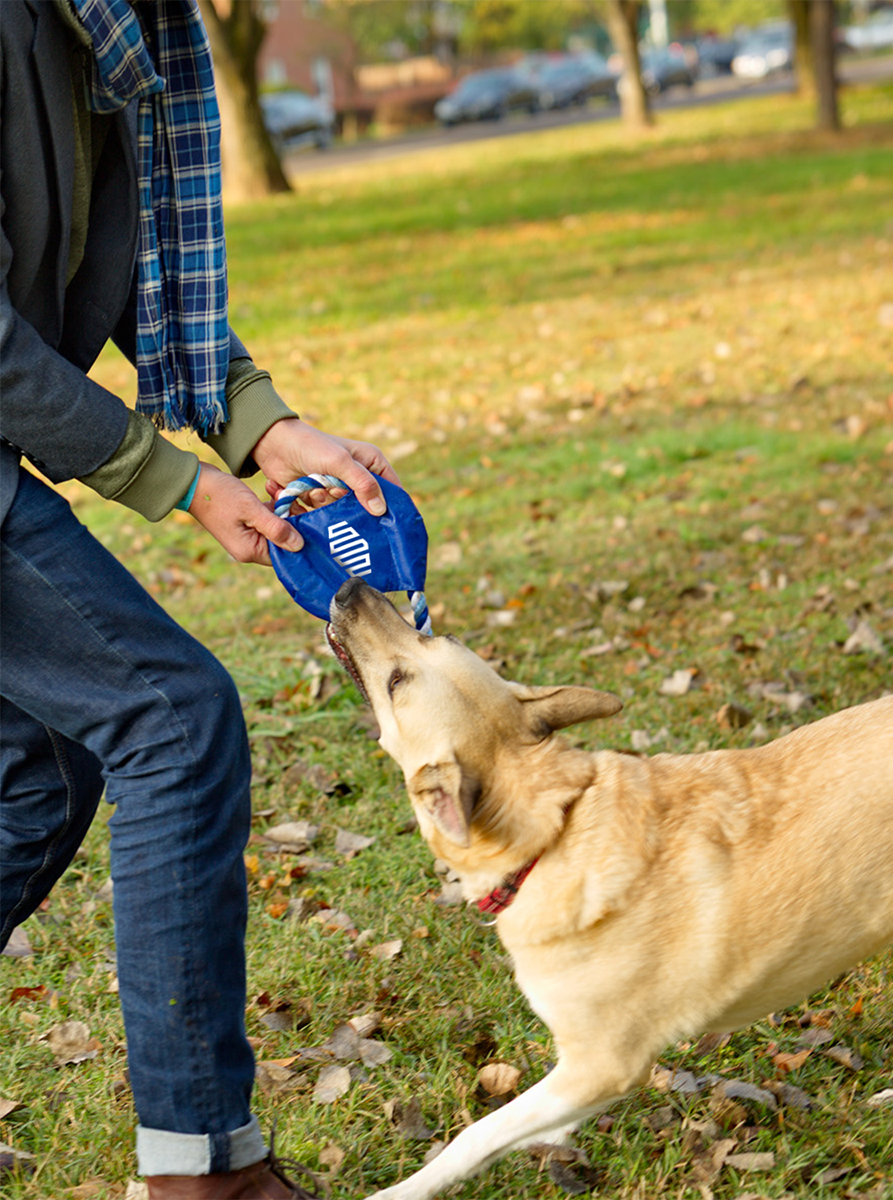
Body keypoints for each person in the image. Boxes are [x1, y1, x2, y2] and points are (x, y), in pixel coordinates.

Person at [0, 2, 397, 1196]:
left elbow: (134, 280)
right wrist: (171, 480)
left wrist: (263, 428)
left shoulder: (122, 36)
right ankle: (199, 1170)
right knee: (175, 720)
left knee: (41, 773)